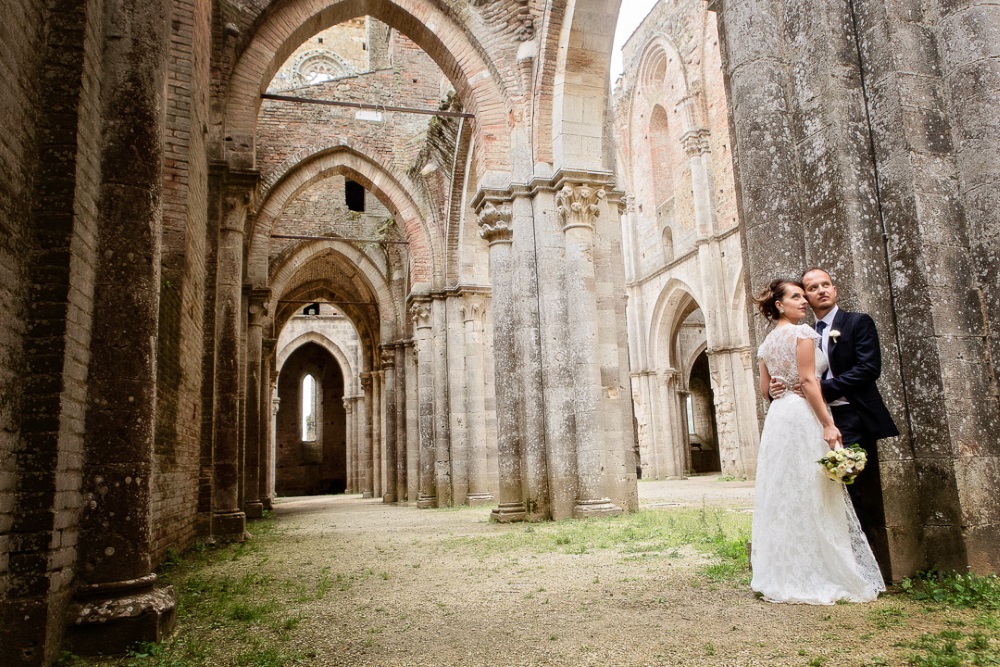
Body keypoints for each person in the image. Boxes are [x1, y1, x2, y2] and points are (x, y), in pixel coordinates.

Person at [751, 279, 884, 604]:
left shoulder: (766, 343)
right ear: (779, 304)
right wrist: (828, 424)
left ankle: (785, 571)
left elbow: (765, 390)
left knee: (786, 491)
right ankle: (825, 570)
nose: (803, 302)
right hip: (804, 415)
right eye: (796, 297)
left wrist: (777, 392)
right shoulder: (803, 334)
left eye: (803, 296)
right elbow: (810, 382)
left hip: (780, 419)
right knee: (816, 489)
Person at [771, 268, 898, 572]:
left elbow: (869, 368)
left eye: (825, 285)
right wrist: (780, 388)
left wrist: (820, 388)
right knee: (823, 493)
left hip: (852, 415)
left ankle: (866, 568)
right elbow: (791, 374)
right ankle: (832, 564)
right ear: (805, 297)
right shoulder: (803, 332)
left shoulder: (857, 322)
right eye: (812, 288)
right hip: (815, 419)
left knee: (854, 491)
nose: (821, 291)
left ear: (835, 289)